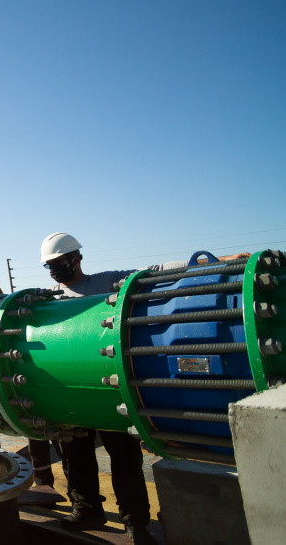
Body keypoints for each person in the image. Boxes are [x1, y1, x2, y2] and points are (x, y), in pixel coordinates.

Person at [40, 232, 249, 545]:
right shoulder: (50, 300)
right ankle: (86, 511)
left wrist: (218, 261)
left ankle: (135, 523)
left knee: (124, 458)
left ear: (76, 258)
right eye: (50, 266)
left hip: (113, 387)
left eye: (60, 262)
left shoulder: (105, 283)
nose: (56, 269)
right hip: (71, 390)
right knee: (74, 455)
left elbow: (157, 270)